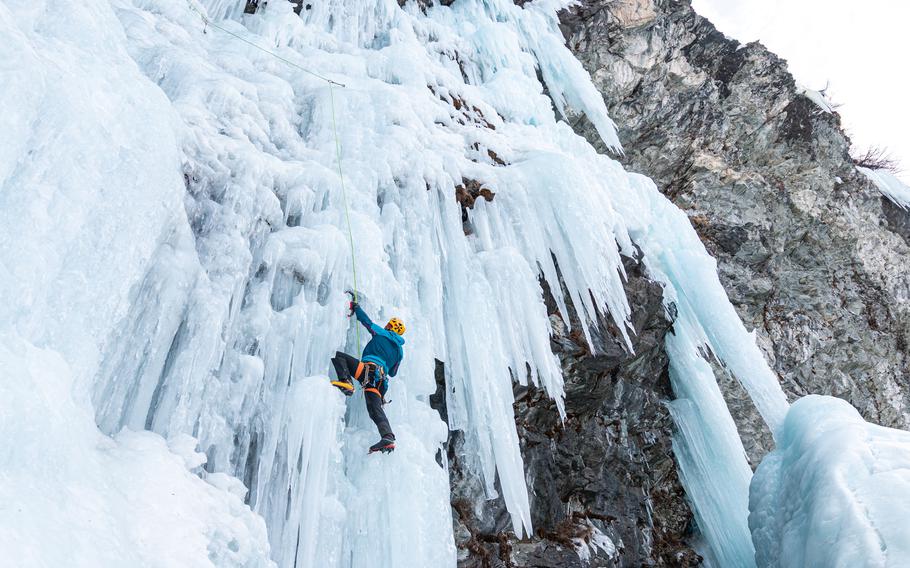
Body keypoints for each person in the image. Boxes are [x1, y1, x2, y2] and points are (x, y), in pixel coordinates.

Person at [331, 300, 405, 454]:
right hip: (380, 383)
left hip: (368, 371)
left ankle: (347, 382)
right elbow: (393, 372)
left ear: (391, 327)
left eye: (389, 325)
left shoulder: (383, 333)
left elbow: (367, 322)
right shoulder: (399, 352)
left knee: (339, 357)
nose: (387, 326)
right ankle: (388, 437)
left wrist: (356, 308)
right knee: (375, 409)